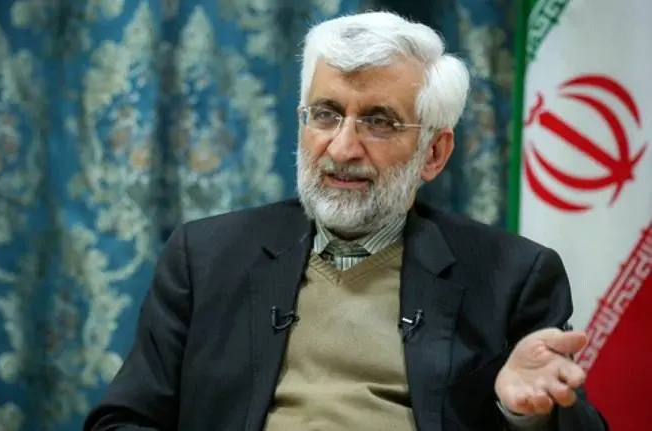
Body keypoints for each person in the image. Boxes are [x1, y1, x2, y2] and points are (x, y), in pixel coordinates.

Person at [83, 11, 608, 431]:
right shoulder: (205, 257)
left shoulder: (510, 276)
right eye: (326, 114)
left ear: (433, 153)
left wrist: (528, 416)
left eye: (379, 122)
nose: (342, 148)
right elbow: (123, 419)